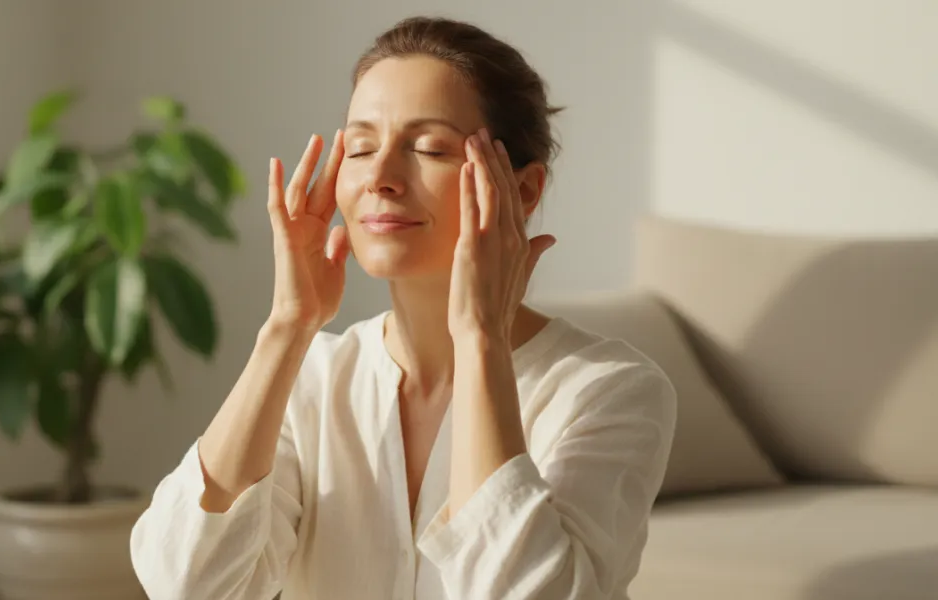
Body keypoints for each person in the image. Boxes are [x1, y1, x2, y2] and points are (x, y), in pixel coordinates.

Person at [130, 15, 676, 600]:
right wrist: (288, 327)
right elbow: (186, 584)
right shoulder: (314, 380)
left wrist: (481, 340)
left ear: (522, 190)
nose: (381, 177)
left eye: (427, 147)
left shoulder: (610, 391)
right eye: (361, 147)